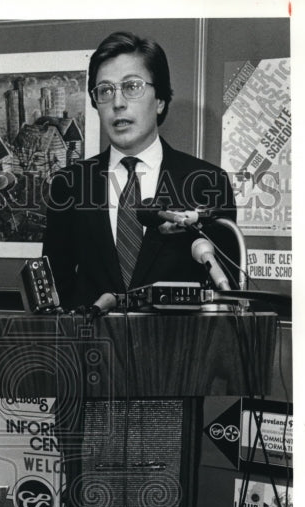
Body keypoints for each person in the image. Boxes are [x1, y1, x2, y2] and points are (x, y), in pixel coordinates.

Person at [42, 31, 238, 311]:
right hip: (94, 348)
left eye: (132, 87)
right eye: (105, 91)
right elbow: (55, 288)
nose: (117, 103)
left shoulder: (207, 183)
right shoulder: (69, 184)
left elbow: (224, 291)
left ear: (159, 100)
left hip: (181, 349)